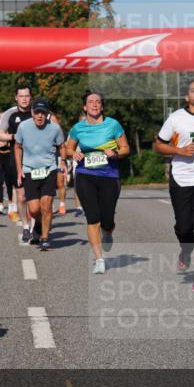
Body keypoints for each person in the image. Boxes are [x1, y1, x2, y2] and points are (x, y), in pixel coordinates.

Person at [154, 79, 194, 293]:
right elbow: (159, 144)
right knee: (184, 226)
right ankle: (185, 249)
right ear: (187, 97)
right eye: (193, 91)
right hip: (181, 179)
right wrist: (180, 151)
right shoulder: (176, 118)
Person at [64, 91, 130, 274]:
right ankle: (99, 259)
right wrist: (74, 153)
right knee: (92, 218)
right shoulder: (78, 128)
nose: (94, 105)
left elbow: (125, 148)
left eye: (97, 102)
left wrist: (116, 154)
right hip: (86, 175)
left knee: (107, 219)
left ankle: (107, 232)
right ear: (84, 107)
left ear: (102, 106)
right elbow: (67, 149)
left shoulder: (113, 125)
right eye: (90, 102)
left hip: (109, 176)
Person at [15, 98, 66, 251]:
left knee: (46, 206)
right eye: (37, 112)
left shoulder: (55, 128)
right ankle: (37, 223)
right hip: (30, 170)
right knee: (34, 209)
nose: (39, 116)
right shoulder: (23, 127)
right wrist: (19, 170)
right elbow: (17, 148)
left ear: (47, 114)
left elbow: (61, 146)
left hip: (48, 169)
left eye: (43, 113)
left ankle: (44, 238)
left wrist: (62, 162)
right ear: (32, 113)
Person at [0, 87, 35, 239]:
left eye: (27, 96)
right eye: (21, 96)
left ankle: (34, 225)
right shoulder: (10, 114)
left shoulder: (36, 112)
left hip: (36, 158)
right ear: (16, 98)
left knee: (34, 196)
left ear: (30, 97)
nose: (24, 99)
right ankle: (25, 226)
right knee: (22, 196)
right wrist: (14, 137)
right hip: (16, 159)